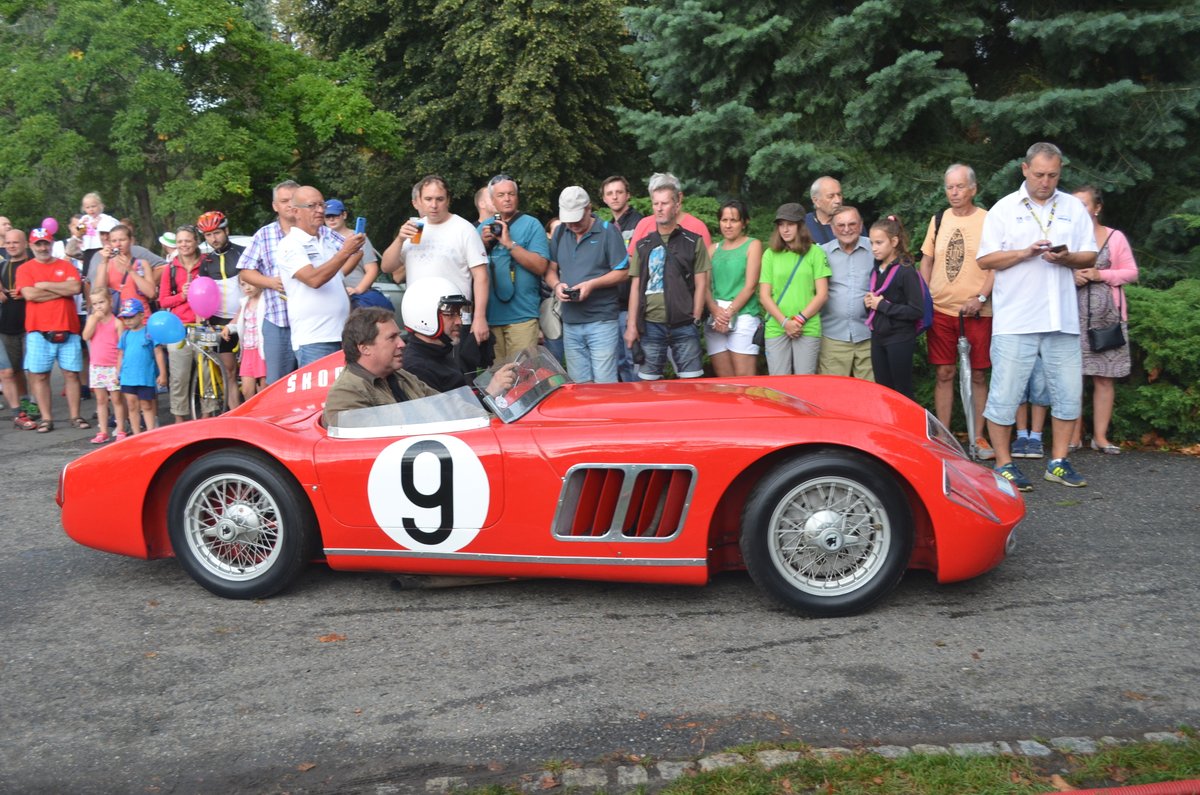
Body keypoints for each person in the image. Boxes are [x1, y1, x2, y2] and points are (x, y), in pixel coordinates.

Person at [977, 142, 1098, 490]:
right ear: (1025, 169)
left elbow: (1089, 254)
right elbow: (985, 260)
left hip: (1061, 319)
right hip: (1016, 318)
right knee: (1004, 395)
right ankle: (1004, 464)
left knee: (1068, 394)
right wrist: (1023, 253)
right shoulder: (1003, 209)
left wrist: (1067, 259)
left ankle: (1058, 462)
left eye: (1054, 175)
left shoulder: (1073, 207)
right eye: (1040, 174)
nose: (1046, 181)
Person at [919, 164, 994, 457]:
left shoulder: (988, 220)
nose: (953, 192)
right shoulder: (939, 218)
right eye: (949, 187)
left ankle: (980, 437)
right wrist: (924, 297)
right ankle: (944, 438)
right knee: (944, 373)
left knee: (977, 375)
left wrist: (981, 297)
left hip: (977, 312)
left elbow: (995, 265)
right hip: (941, 311)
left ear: (973, 188)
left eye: (960, 186)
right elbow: (926, 259)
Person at [240, 179, 346, 383]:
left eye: (293, 199)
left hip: (322, 325)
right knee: (280, 383)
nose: (289, 205)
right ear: (275, 206)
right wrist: (270, 282)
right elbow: (245, 272)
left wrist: (339, 276)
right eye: (284, 200)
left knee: (317, 384)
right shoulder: (265, 234)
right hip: (280, 319)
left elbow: (351, 251)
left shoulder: (323, 231)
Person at [380, 175, 490, 345]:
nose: (433, 205)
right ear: (419, 201)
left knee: (456, 368)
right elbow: (387, 267)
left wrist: (479, 317)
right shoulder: (414, 228)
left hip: (453, 318)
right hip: (418, 318)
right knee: (420, 369)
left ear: (448, 200)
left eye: (439, 199)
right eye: (428, 199)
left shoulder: (464, 229)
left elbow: (481, 276)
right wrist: (399, 240)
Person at [1070, 185, 1138, 455]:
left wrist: (1102, 275)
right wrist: (1071, 277)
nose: (1079, 211)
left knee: (1104, 379)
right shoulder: (1067, 241)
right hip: (1071, 319)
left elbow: (1131, 272)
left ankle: (1100, 436)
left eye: (1084, 205)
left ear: (1097, 208)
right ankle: (1073, 436)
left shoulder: (1114, 237)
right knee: (1072, 380)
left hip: (1107, 320)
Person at [625, 176, 711, 380]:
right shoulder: (643, 244)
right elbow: (635, 286)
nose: (659, 208)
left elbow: (702, 282)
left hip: (684, 323)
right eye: (656, 204)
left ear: (677, 204)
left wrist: (696, 316)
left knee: (692, 384)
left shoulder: (693, 241)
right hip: (651, 324)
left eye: (665, 203)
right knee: (648, 384)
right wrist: (631, 325)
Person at [546, 186, 629, 383]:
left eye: (577, 219)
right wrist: (557, 285)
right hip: (570, 320)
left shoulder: (608, 231)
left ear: (588, 209)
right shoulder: (559, 232)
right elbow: (550, 270)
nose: (573, 224)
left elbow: (624, 272)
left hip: (601, 320)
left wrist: (592, 284)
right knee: (579, 384)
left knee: (604, 383)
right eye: (569, 219)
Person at [277, 186, 365, 367]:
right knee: (320, 396)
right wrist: (345, 252)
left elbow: (335, 273)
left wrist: (354, 251)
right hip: (315, 338)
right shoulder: (289, 244)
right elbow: (314, 279)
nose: (320, 210)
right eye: (312, 206)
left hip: (342, 334)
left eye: (321, 205)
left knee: (344, 394)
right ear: (295, 211)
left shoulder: (326, 240)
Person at [16, 227, 86, 432]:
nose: (43, 247)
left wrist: (44, 284)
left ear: (51, 243)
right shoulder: (25, 269)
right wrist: (60, 290)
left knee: (72, 374)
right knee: (40, 375)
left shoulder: (66, 265)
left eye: (46, 243)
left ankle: (75, 416)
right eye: (38, 244)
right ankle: (47, 418)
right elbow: (30, 295)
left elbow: (75, 289)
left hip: (68, 327)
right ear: (31, 245)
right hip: (38, 330)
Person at [479, 174, 551, 361]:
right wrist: (483, 245)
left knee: (524, 376)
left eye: (511, 194)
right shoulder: (484, 229)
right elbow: (470, 268)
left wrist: (509, 243)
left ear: (517, 197)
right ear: (493, 200)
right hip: (491, 317)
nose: (507, 199)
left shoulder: (532, 224)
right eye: (501, 195)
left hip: (522, 316)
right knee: (497, 378)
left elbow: (541, 266)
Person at [758, 202, 830, 375]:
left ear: (800, 226)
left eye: (790, 224)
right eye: (781, 225)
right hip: (777, 326)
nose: (785, 229)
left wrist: (798, 321)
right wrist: (785, 322)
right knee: (778, 383)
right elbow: (764, 296)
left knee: (804, 383)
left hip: (807, 326)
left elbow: (822, 294)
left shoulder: (815, 252)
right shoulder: (770, 254)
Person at [864, 215, 924, 399]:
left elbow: (916, 310)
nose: (874, 248)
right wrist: (868, 304)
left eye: (879, 243)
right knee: (883, 391)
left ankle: (908, 427)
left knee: (902, 391)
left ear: (894, 241)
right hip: (878, 337)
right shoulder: (876, 269)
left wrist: (882, 306)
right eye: (872, 243)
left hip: (899, 338)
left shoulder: (906, 271)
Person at [704, 200, 763, 377]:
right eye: (724, 220)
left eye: (734, 220)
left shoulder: (753, 245)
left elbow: (750, 286)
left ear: (745, 222)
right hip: (715, 317)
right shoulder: (712, 249)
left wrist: (728, 314)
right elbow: (703, 286)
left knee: (745, 383)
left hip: (742, 315)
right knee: (724, 384)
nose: (728, 225)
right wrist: (715, 311)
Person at [818, 206, 874, 380]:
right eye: (841, 225)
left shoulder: (875, 248)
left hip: (869, 335)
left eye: (852, 224)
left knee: (871, 394)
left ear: (861, 225)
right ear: (832, 229)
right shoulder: (821, 253)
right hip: (833, 337)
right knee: (832, 394)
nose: (847, 229)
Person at [196, 210, 245, 410]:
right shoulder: (206, 262)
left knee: (254, 373)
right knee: (229, 372)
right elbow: (200, 295)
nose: (213, 239)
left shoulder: (242, 252)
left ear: (226, 230)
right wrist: (202, 324)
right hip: (219, 322)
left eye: (216, 233)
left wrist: (238, 319)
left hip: (244, 319)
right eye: (208, 235)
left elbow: (252, 291)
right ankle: (236, 415)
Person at [399, 277, 477, 392]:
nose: (459, 321)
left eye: (459, 314)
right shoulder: (417, 368)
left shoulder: (440, 352)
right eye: (451, 314)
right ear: (425, 316)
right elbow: (448, 409)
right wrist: (491, 390)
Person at [602, 175, 645, 381]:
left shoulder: (640, 223)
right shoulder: (606, 228)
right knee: (618, 362)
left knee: (633, 361)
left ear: (628, 195)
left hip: (633, 303)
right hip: (612, 304)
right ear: (604, 199)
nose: (615, 197)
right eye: (610, 193)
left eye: (619, 192)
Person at [1, 228, 39, 422]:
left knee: (32, 367)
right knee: (15, 368)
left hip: (32, 324)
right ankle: (24, 399)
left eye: (15, 242)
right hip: (7, 325)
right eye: (8, 243)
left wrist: (27, 292)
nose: (11, 246)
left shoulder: (33, 265)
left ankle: (35, 400)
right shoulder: (2, 266)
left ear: (25, 244)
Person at [81, 289, 128, 443]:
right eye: (95, 304)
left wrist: (120, 368)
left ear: (110, 302)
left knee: (116, 399)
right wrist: (94, 319)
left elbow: (122, 347)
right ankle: (102, 431)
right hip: (97, 366)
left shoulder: (117, 322)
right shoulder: (92, 319)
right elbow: (86, 336)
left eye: (101, 302)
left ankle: (120, 429)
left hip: (113, 366)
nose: (98, 306)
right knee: (101, 400)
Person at [116, 298, 166, 434]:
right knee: (131, 404)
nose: (128, 320)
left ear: (141, 315)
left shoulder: (149, 333)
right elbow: (120, 354)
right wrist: (117, 373)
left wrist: (162, 373)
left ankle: (151, 432)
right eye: (125, 318)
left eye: (131, 317)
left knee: (146, 404)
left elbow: (158, 352)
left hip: (145, 375)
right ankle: (136, 433)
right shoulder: (125, 335)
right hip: (127, 375)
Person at [323, 199, 385, 309]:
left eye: (335, 215)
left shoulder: (358, 238)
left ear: (344, 215)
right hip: (330, 297)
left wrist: (358, 290)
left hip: (357, 298)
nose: (331, 219)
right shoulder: (320, 240)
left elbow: (372, 269)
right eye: (327, 216)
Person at [94, 224, 157, 309]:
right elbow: (98, 292)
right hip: (118, 318)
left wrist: (131, 271)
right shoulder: (106, 265)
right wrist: (104, 262)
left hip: (141, 317)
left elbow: (151, 294)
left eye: (122, 240)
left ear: (131, 241)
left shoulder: (142, 264)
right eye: (114, 241)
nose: (118, 244)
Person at [224, 280, 267, 402]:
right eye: (243, 285)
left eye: (250, 283)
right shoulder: (244, 303)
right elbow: (238, 321)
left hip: (261, 351)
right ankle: (252, 417)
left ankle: (262, 417)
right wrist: (229, 327)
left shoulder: (265, 300)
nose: (247, 288)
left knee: (262, 389)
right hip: (248, 350)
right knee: (247, 390)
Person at [77, 192, 120, 273]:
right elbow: (79, 233)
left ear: (100, 205)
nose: (91, 209)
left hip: (100, 247)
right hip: (88, 248)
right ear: (84, 208)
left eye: (93, 206)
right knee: (88, 270)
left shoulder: (105, 218)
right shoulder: (84, 218)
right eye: (88, 207)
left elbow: (115, 227)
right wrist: (83, 226)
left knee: (100, 268)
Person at [805, 176, 843, 245]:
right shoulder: (803, 225)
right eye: (831, 196)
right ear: (816, 201)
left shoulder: (852, 221)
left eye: (839, 195)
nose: (838, 200)